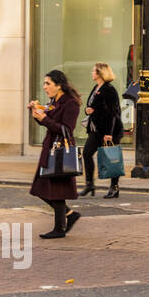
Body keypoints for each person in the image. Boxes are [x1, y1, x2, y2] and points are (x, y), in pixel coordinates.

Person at [29, 70, 83, 239]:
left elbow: (66, 129)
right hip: (50, 147)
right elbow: (49, 119)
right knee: (40, 188)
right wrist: (37, 113)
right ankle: (69, 215)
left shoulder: (71, 103)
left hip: (60, 150)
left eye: (48, 84)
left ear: (59, 85)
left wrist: (44, 118)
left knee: (56, 189)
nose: (44, 87)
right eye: (44, 83)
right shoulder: (55, 100)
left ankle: (59, 228)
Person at [80, 63, 123, 198]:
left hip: (109, 130)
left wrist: (109, 134)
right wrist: (88, 110)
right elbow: (92, 106)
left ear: (100, 73)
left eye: (94, 71)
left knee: (112, 157)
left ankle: (114, 187)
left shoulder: (109, 90)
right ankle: (89, 184)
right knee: (87, 154)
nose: (92, 73)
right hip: (96, 130)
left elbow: (113, 113)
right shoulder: (96, 87)